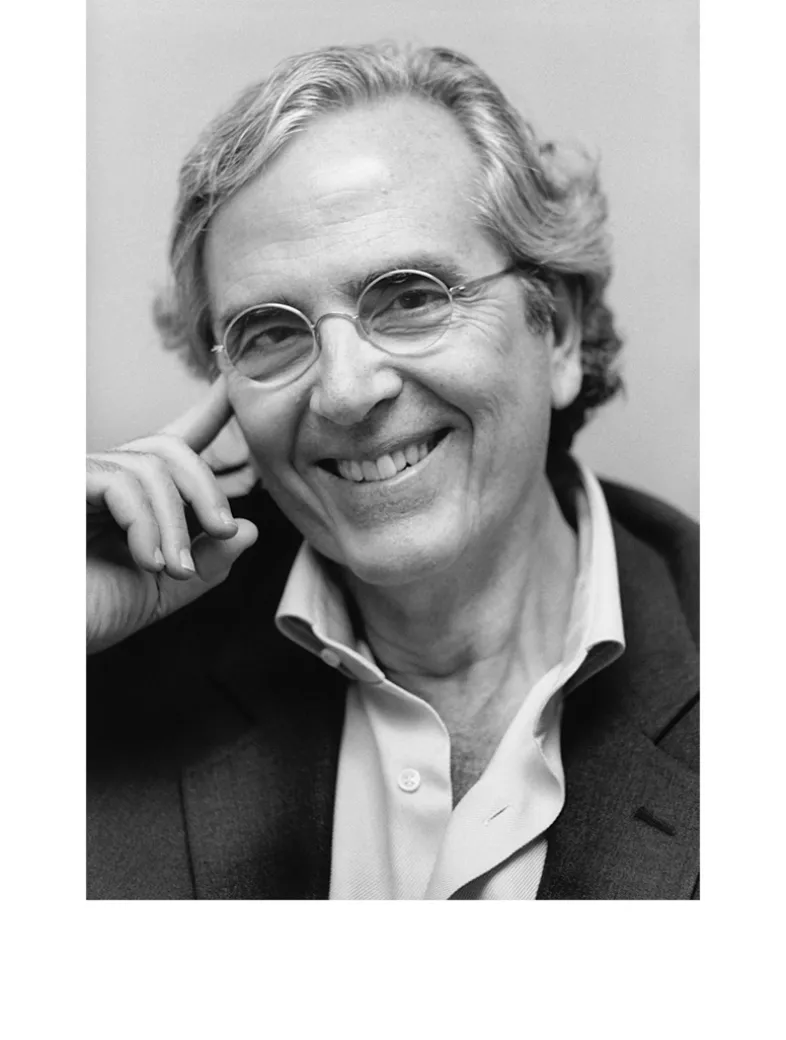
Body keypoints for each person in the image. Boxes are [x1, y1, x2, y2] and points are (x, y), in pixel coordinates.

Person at [86, 43, 699, 899]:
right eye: (273, 333)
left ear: (556, 330)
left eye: (411, 298)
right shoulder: (105, 685)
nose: (345, 392)